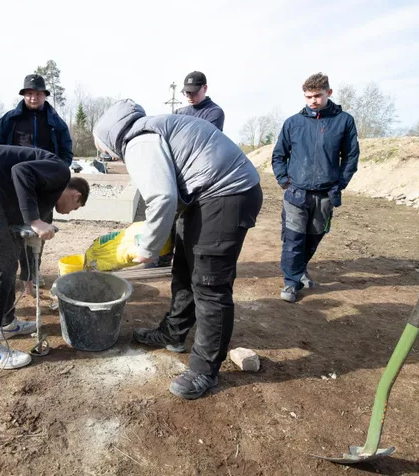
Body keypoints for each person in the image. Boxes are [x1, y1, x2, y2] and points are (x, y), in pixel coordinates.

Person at [93, 99, 262, 400]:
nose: (107, 154)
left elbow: (161, 197)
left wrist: (148, 247)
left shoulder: (138, 140)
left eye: (104, 149)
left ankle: (204, 370)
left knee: (210, 285)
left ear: (110, 139)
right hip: (205, 195)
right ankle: (173, 332)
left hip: (227, 193)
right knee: (184, 268)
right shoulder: (152, 129)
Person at [0, 146, 89, 369]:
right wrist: (34, 220)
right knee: (0, 267)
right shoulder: (60, 172)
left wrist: (28, 274)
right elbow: (21, 171)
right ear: (76, 195)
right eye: (75, 207)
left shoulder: (42, 191)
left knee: (8, 257)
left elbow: (21, 237)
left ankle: (8, 323)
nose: (70, 212)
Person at [271, 72, 360, 303]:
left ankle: (300, 269)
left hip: (325, 194)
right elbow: (279, 155)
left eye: (318, 96)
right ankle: (291, 283)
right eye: (308, 96)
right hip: (296, 193)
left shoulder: (344, 121)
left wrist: (339, 184)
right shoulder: (293, 122)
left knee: (314, 237)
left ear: (328, 93)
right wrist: (284, 181)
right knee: (293, 239)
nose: (313, 101)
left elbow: (351, 157)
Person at [0, 74, 73, 294]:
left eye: (38, 93)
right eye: (29, 93)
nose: (33, 97)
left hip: (44, 186)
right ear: (24, 95)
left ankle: (32, 275)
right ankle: (19, 276)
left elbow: (66, 152)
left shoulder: (56, 123)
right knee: (17, 231)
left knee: (40, 231)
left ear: (44, 95)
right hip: (15, 185)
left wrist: (58, 174)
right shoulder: (10, 119)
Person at [147, 71, 226, 270]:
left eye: (194, 92)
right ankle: (164, 256)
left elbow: (198, 143)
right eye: (186, 93)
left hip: (199, 175)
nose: (189, 96)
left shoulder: (214, 113)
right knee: (169, 216)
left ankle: (190, 259)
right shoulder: (180, 112)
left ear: (205, 88)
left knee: (192, 220)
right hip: (177, 173)